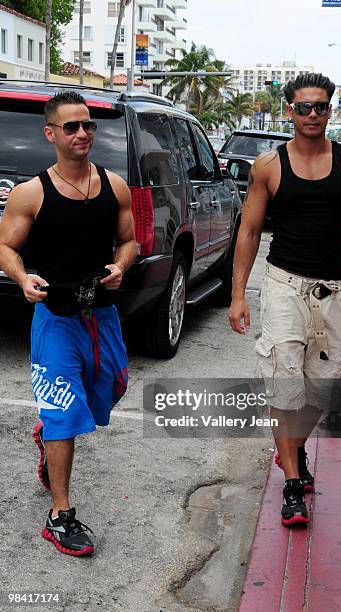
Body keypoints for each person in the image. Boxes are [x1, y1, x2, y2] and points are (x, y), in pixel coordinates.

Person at [228, 73, 341, 526]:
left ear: (331, 111)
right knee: (284, 374)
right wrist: (239, 294)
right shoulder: (268, 167)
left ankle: (289, 448)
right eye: (303, 107)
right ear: (288, 111)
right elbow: (249, 231)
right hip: (283, 283)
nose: (313, 115)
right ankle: (293, 482)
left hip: (333, 287)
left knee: (324, 387)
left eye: (321, 107)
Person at [0, 91, 137, 556]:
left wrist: (121, 266)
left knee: (109, 391)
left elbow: (129, 241)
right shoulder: (32, 193)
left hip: (102, 316)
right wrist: (22, 277)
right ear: (51, 134)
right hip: (55, 319)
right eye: (72, 127)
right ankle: (60, 515)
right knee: (63, 414)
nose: (83, 133)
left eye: (88, 125)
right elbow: (5, 248)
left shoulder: (114, 186)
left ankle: (46, 437)